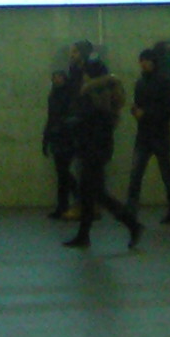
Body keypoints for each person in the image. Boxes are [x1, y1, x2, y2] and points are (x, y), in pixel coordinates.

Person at [62, 62, 144, 250]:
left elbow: (88, 119)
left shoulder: (93, 93)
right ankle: (84, 235)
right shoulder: (109, 92)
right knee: (90, 193)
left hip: (90, 147)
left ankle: (132, 225)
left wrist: (73, 123)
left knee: (96, 193)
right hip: (101, 147)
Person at [126, 47, 170, 225]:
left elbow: (168, 109)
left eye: (146, 60)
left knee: (160, 173)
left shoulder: (162, 82)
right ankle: (133, 210)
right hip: (150, 134)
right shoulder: (143, 83)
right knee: (139, 174)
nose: (143, 64)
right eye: (141, 60)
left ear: (153, 62)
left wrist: (144, 114)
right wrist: (137, 112)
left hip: (155, 134)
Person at [43, 68, 80, 220]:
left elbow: (71, 116)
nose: (57, 80)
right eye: (55, 77)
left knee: (63, 172)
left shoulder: (69, 95)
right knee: (62, 173)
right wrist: (46, 139)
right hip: (57, 137)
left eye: (59, 77)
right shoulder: (54, 95)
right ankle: (65, 205)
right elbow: (50, 117)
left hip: (66, 137)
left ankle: (69, 201)